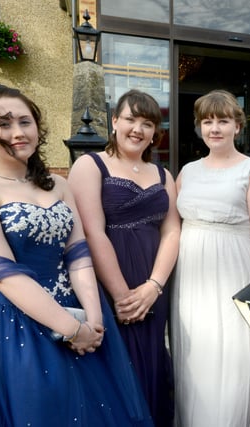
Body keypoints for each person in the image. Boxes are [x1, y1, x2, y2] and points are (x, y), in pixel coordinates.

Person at [0, 84, 152, 426]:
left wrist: (94, 321)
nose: (18, 132)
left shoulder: (58, 184)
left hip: (78, 312)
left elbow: (78, 256)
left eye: (25, 121)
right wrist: (70, 329)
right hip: (12, 323)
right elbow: (3, 274)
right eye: (3, 124)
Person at [170, 89, 250, 426]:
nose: (215, 128)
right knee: (196, 366)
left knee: (237, 366)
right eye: (207, 121)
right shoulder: (188, 172)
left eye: (223, 120)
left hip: (238, 275)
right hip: (191, 282)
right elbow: (172, 227)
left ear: (238, 126)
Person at [68, 89, 180, 427]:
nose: (138, 129)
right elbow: (92, 232)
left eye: (147, 123)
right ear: (114, 121)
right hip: (109, 283)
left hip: (153, 282)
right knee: (118, 365)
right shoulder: (91, 165)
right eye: (131, 119)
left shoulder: (163, 176)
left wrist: (154, 286)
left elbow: (172, 231)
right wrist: (122, 296)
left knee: (152, 359)